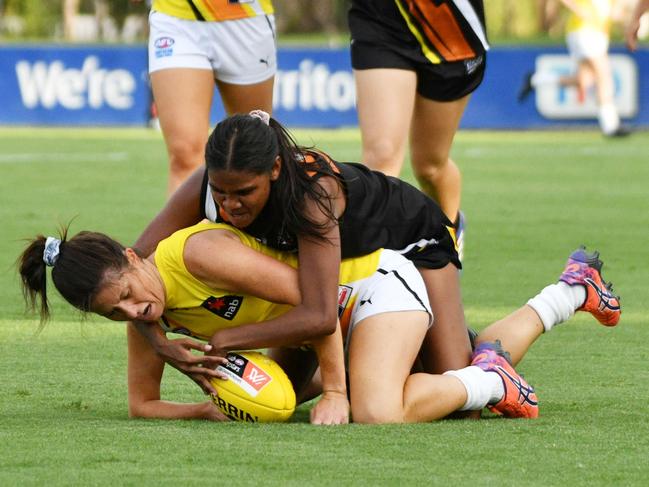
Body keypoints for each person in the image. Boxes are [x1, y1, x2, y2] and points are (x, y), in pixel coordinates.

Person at [18, 222, 621, 423]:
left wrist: (336, 389)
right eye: (114, 313)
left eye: (127, 293)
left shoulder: (195, 256)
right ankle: (569, 293)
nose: (134, 311)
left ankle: (496, 384)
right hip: (319, 324)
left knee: (378, 411)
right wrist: (212, 407)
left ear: (132, 256)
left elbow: (320, 299)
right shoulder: (145, 320)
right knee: (448, 373)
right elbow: (142, 405)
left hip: (367, 285)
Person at [130, 111, 472, 394]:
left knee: (455, 387)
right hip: (349, 273)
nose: (230, 204)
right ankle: (378, 361)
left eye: (245, 192)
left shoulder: (312, 196)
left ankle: (486, 356)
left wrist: (226, 340)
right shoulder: (204, 185)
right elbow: (128, 264)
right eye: (221, 192)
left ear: (275, 169)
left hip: (414, 239)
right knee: (283, 393)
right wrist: (159, 343)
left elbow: (321, 315)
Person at [348, 0, 490, 261]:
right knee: (381, 156)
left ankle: (447, 234)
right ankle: (372, 276)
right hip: (382, 19)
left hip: (450, 28)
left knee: (430, 166)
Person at [141, 0, 276, 194]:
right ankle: (193, 225)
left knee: (255, 152)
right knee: (184, 155)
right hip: (175, 17)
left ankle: (258, 224)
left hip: (245, 16)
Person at [519, 0, 630, 137]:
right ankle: (611, 126)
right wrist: (579, 10)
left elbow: (614, 15)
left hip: (594, 34)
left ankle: (536, 80)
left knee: (584, 81)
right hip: (586, 31)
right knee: (604, 76)